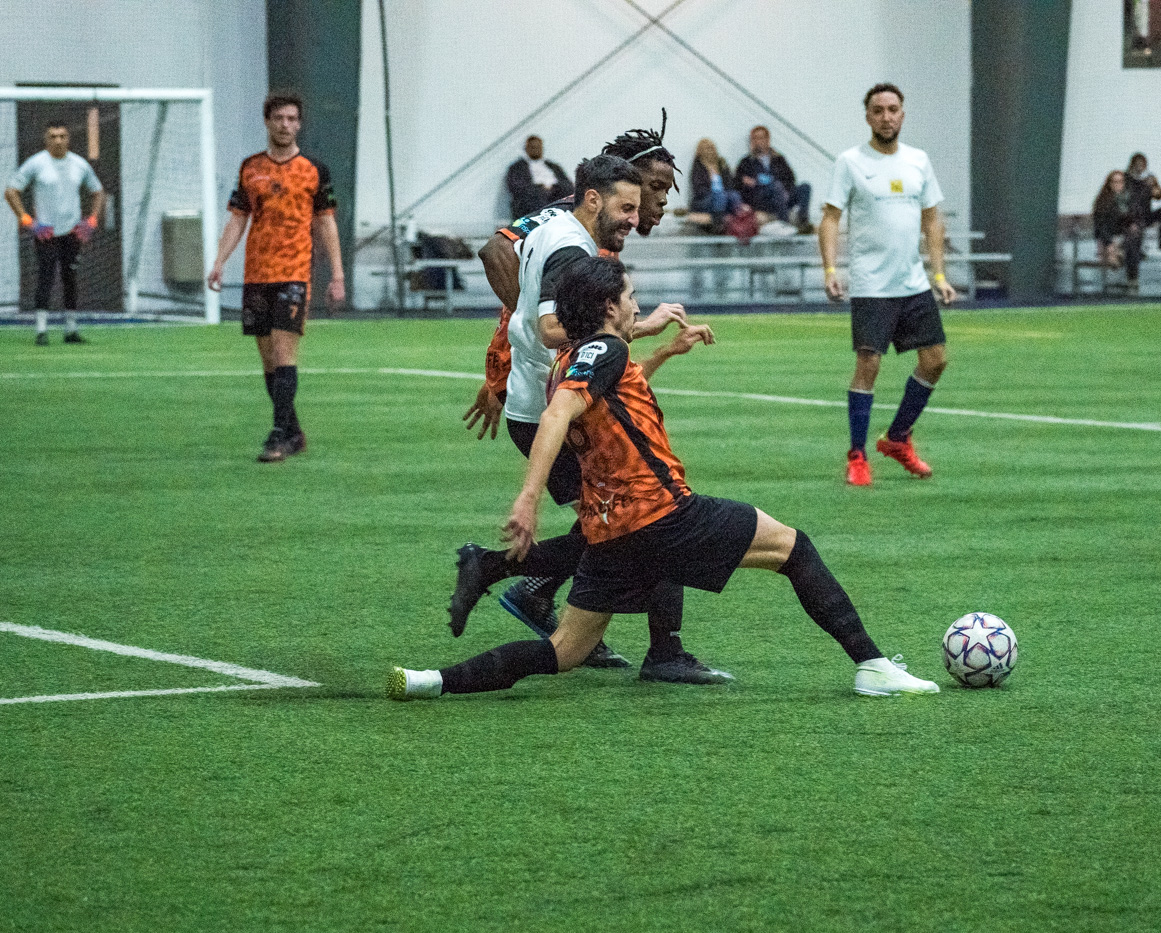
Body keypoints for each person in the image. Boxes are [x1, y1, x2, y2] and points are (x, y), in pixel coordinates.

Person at [388, 256, 941, 701]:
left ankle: (431, 681)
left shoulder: (574, 357)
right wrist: (529, 498)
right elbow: (558, 414)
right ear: (608, 306)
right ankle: (871, 665)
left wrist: (664, 354)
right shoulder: (604, 349)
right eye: (630, 297)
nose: (636, 306)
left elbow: (608, 402)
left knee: (564, 651)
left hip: (612, 534)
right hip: (664, 515)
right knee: (794, 548)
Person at [464, 152, 730, 685]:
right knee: (649, 514)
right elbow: (548, 326)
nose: (649, 209)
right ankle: (658, 649)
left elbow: (511, 267)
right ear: (598, 197)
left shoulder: (560, 225)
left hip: (543, 398)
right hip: (550, 407)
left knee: (626, 519)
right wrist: (638, 329)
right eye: (642, 197)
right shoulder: (571, 243)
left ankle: (526, 587)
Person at [818, 83, 958, 487]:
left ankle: (897, 438)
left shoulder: (918, 161)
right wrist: (830, 270)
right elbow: (830, 218)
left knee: (935, 361)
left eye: (892, 109)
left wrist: (939, 276)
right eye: (877, 110)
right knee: (869, 365)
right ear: (867, 116)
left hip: (912, 282)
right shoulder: (850, 161)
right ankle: (858, 454)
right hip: (871, 285)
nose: (886, 116)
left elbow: (932, 218)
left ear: (902, 114)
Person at [207, 92, 345, 463]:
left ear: (299, 124)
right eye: (279, 118)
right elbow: (238, 217)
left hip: (294, 272)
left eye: (292, 119)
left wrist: (337, 273)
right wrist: (220, 260)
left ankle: (278, 435)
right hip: (257, 273)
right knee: (268, 359)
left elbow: (326, 222)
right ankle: (295, 431)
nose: (285, 125)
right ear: (267, 122)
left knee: (284, 352)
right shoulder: (250, 167)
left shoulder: (314, 170)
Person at [4, 121, 106, 345]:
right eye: (53, 136)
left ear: (68, 138)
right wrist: (28, 220)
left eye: (62, 136)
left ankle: (71, 330)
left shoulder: (79, 164)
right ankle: (41, 330)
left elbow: (98, 192)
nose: (58, 140)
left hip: (72, 232)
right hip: (46, 233)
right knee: (45, 278)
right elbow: (11, 192)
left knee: (70, 279)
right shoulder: (36, 163)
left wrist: (92, 220)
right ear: (46, 139)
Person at [736, 126, 812, 233]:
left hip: (782, 196)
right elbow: (739, 184)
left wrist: (785, 191)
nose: (758, 142)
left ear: (768, 140)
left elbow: (790, 179)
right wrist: (751, 184)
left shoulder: (779, 159)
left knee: (805, 187)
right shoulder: (746, 162)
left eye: (761, 138)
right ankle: (784, 223)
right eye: (755, 138)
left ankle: (803, 221)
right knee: (775, 186)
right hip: (761, 199)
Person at [1092, 169, 1143, 290]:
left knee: (1134, 237)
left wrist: (1133, 225)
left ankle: (1120, 254)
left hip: (1126, 236)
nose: (1118, 185)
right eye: (1115, 182)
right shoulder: (1103, 202)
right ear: (1109, 184)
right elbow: (1100, 226)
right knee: (1132, 242)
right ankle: (1131, 277)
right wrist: (1109, 243)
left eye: (1120, 182)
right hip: (1109, 237)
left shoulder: (1130, 200)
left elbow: (1138, 217)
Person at [505, 136, 574, 221]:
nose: (536, 150)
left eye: (539, 147)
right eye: (533, 147)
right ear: (526, 149)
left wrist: (553, 188)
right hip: (534, 197)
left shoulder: (553, 166)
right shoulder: (517, 167)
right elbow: (517, 187)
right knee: (536, 196)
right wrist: (541, 188)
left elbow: (567, 182)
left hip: (556, 193)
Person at [686, 137, 743, 233]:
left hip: (723, 196)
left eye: (712, 148)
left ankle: (741, 221)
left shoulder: (722, 164)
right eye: (707, 148)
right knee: (719, 196)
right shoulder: (698, 167)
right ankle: (718, 224)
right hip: (704, 200)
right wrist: (715, 193)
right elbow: (699, 190)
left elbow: (730, 184)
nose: (710, 151)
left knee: (734, 195)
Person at [1125, 152, 1161, 250]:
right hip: (1131, 215)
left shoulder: (1149, 178)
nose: (1139, 167)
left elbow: (1159, 195)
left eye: (1142, 165)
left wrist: (1157, 191)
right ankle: (1135, 249)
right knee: (1137, 220)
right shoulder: (1126, 179)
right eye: (1137, 164)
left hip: (1146, 214)